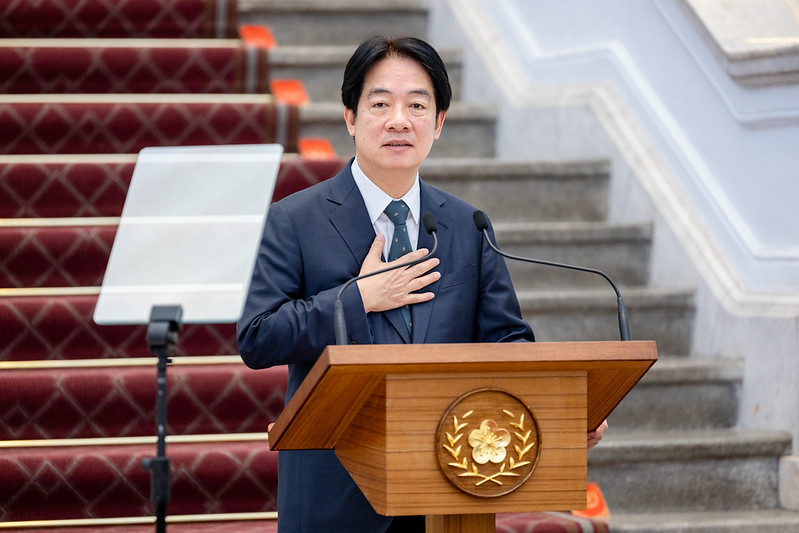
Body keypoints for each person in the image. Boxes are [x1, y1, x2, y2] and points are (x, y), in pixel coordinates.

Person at [237, 35, 605, 533]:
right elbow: (258, 336)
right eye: (380, 104)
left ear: (439, 123)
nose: (399, 120)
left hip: (449, 486)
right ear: (350, 118)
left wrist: (561, 410)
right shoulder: (295, 219)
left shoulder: (468, 225)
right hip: (335, 494)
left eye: (416, 105)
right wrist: (358, 299)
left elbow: (507, 341)